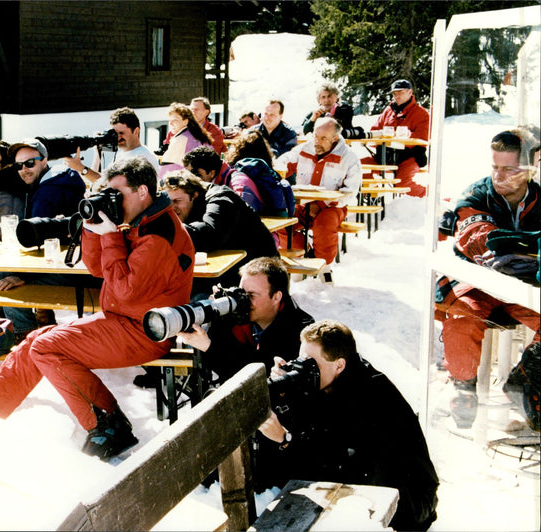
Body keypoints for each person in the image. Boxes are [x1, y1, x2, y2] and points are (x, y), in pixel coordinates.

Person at [0, 157, 195, 460]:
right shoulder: (143, 220)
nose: (113, 202)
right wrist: (93, 229)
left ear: (143, 191)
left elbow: (124, 290)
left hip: (145, 331)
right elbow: (96, 269)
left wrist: (112, 236)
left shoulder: (159, 234)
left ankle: (108, 423)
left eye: (118, 195)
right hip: (121, 321)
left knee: (47, 347)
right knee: (36, 340)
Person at [258, 320, 439, 531]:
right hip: (373, 480)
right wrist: (286, 387)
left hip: (408, 502)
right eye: (300, 359)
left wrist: (285, 439)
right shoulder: (335, 379)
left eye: (310, 363)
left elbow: (332, 461)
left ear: (339, 365)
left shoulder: (369, 396)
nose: (304, 368)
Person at [178, 257, 314, 492]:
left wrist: (211, 348)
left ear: (277, 297)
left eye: (252, 296)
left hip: (277, 430)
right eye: (240, 292)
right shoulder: (234, 316)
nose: (242, 301)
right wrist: (212, 315)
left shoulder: (300, 330)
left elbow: (259, 378)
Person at [436, 130, 540, 427]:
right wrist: (529, 246)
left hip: (524, 286)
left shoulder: (539, 197)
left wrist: (517, 249)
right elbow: (478, 238)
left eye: (509, 169)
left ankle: (525, 378)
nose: (500, 175)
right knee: (462, 317)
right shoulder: (476, 194)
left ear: (530, 170)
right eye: (495, 167)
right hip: (477, 281)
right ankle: (464, 386)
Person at [0, 138, 86, 336]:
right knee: (6, 275)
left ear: (45, 160)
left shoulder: (49, 191)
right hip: (72, 261)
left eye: (30, 163)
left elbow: (36, 237)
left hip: (75, 270)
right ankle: (44, 324)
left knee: (6, 280)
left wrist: (21, 276)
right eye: (19, 165)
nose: (24, 169)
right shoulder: (57, 179)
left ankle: (24, 336)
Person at [159, 170, 279, 294]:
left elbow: (211, 235)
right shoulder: (187, 207)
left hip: (260, 271)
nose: (172, 208)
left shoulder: (220, 198)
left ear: (194, 195)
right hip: (230, 269)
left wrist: (168, 229)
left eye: (177, 201)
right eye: (169, 202)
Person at [274, 117, 362, 274]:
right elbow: (285, 161)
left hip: (333, 207)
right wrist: (279, 167)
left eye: (323, 138)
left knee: (324, 224)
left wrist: (321, 204)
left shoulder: (349, 158)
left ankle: (323, 266)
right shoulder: (305, 149)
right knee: (281, 220)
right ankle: (304, 254)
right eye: (315, 136)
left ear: (335, 138)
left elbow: (349, 193)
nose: (317, 142)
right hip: (303, 203)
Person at [365, 79, 430, 198]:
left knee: (401, 184)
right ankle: (371, 199)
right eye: (394, 93)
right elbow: (375, 130)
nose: (397, 96)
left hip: (409, 156)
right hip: (385, 156)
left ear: (410, 92)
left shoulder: (421, 113)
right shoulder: (388, 110)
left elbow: (422, 138)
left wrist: (400, 136)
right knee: (358, 167)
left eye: (400, 92)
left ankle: (430, 197)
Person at [65, 107, 159, 182]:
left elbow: (108, 184)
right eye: (115, 134)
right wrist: (98, 153)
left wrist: (81, 168)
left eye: (121, 133)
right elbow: (98, 180)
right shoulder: (121, 154)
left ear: (136, 131)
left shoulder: (143, 157)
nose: (117, 138)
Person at [159, 102, 213, 175]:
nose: (171, 124)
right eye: (169, 121)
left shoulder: (180, 139)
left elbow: (166, 168)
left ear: (185, 122)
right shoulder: (195, 135)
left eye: (175, 120)